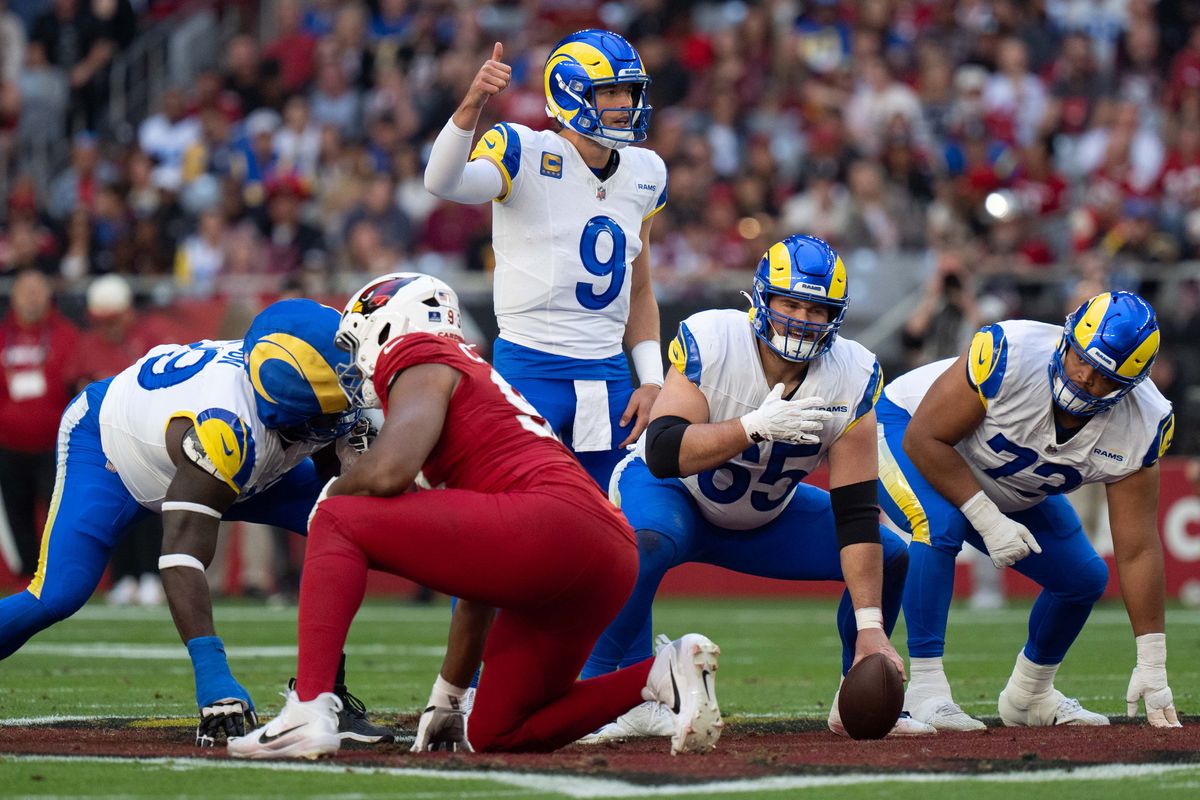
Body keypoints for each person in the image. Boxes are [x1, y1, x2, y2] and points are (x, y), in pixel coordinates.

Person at [229, 273, 722, 759]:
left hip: (550, 526)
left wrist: (331, 494)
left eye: (355, 343)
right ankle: (660, 674)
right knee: (498, 732)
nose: (356, 365)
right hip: (604, 550)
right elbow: (477, 587)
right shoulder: (472, 383)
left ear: (385, 326)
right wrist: (449, 698)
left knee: (337, 515)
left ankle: (309, 707)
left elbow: (389, 473)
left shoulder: (419, 352)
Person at [0, 298, 392, 746]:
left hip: (233, 462)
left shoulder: (300, 384)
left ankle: (325, 695)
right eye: (331, 408)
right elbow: (180, 554)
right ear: (293, 408)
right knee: (56, 595)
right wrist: (213, 675)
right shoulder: (229, 428)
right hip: (109, 453)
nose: (346, 411)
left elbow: (341, 497)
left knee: (351, 528)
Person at [580, 235, 923, 741]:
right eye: (792, 303)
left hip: (766, 513)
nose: (804, 319)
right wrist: (750, 427)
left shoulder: (851, 376)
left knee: (891, 553)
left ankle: (856, 689)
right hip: (678, 495)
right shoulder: (715, 339)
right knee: (646, 543)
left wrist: (870, 623)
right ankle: (589, 694)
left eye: (818, 309)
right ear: (763, 298)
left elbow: (854, 511)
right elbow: (663, 450)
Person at [877, 291, 1182, 731]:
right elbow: (925, 439)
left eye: (1104, 377)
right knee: (939, 526)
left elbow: (1136, 549)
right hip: (907, 429)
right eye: (1080, 358)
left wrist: (1152, 663)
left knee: (1083, 578)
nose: (1083, 378)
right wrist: (985, 517)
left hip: (1009, 480)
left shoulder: (1144, 423)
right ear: (1068, 335)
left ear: (1131, 386)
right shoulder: (1010, 353)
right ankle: (926, 690)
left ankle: (1030, 694)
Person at [423, 30, 668, 489]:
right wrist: (473, 102)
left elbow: (639, 288)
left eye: (629, 91)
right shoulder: (524, 152)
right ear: (572, 94)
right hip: (530, 368)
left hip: (609, 376)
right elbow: (443, 182)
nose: (625, 103)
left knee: (609, 521)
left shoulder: (646, 171)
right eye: (610, 91)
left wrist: (652, 380)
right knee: (519, 512)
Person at [0, 269, 82, 578]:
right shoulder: (2, 335)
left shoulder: (66, 334)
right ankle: (26, 579)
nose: (32, 297)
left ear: (49, 295)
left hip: (55, 445)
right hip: (9, 445)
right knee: (17, 515)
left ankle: (60, 574)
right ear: (14, 295)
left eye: (38, 289)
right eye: (26, 290)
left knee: (58, 512)